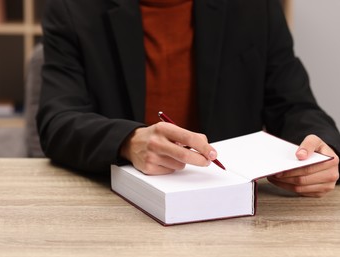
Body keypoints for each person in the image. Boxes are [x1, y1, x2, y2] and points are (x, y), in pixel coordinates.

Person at [37, 0, 340, 197]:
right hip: (119, 204)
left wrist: (323, 150)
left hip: (230, 207)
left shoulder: (255, 7)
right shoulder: (71, 9)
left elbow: (294, 106)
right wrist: (128, 141)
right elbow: (58, 121)